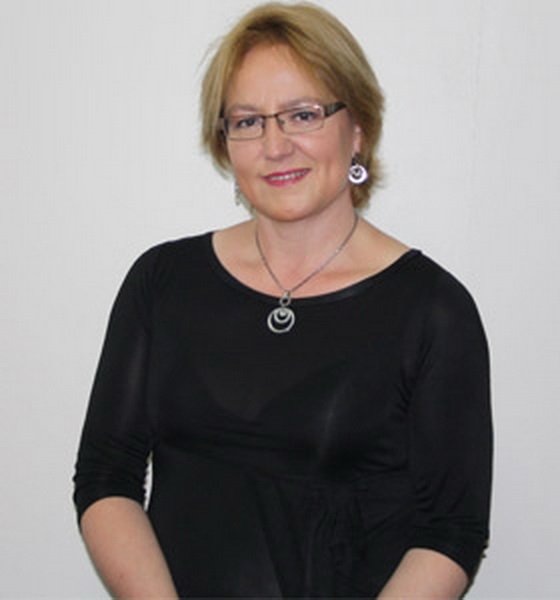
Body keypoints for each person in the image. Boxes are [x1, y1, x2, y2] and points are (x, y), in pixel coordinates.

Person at [73, 2, 492, 598]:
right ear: (225, 143)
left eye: (302, 114)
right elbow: (105, 476)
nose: (275, 145)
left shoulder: (433, 311)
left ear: (357, 129)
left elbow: (450, 531)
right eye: (248, 121)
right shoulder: (161, 282)